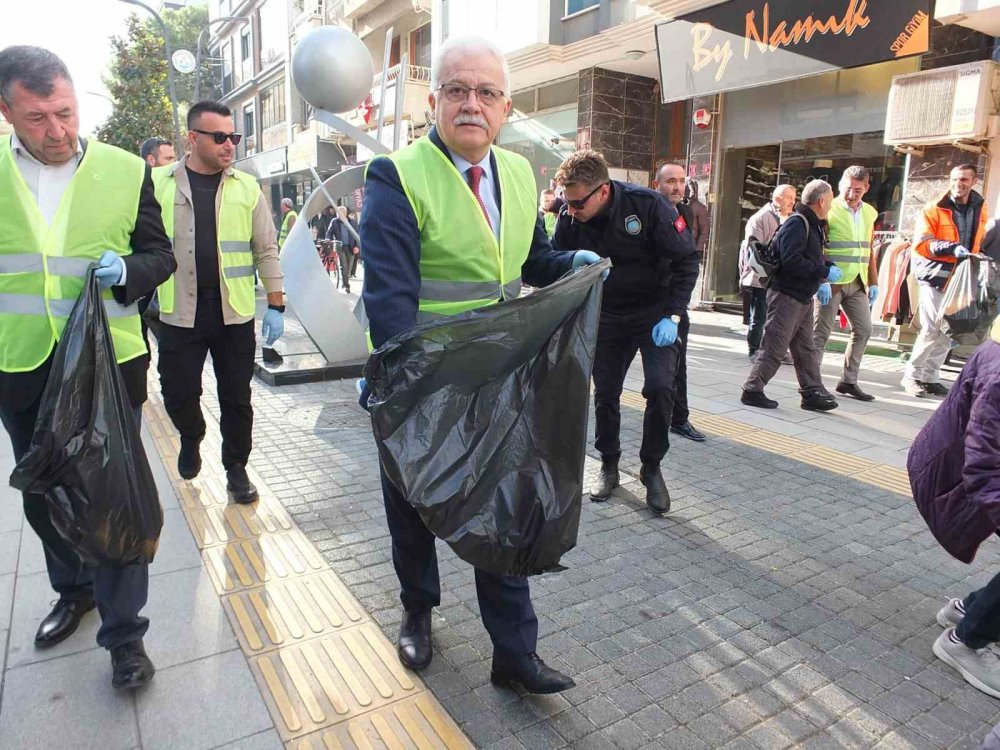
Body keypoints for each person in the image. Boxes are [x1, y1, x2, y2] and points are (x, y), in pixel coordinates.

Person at [360, 36, 603, 693]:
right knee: (413, 504)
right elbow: (389, 305)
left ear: (506, 107)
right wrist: (416, 390)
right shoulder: (397, 176)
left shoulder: (520, 173)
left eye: (487, 93)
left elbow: (531, 262)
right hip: (420, 382)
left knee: (504, 506)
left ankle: (514, 654)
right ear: (434, 99)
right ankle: (418, 608)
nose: (472, 104)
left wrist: (567, 266)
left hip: (500, 380)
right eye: (458, 91)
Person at [0, 46, 176, 689]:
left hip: (108, 366)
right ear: (7, 111)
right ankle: (73, 590)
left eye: (66, 113)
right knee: (44, 493)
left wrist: (129, 271)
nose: (57, 131)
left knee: (112, 498)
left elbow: (160, 255)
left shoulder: (127, 171)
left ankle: (125, 638)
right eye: (38, 117)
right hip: (21, 363)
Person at [152, 100, 285, 504]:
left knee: (236, 397)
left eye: (234, 136)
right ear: (193, 139)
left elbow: (266, 248)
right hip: (179, 312)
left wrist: (276, 305)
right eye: (220, 137)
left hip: (233, 314)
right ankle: (191, 436)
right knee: (177, 392)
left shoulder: (246, 187)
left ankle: (236, 468)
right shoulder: (158, 183)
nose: (230, 144)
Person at [555, 152, 698, 514]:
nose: (570, 210)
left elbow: (686, 261)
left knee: (662, 388)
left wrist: (673, 316)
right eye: (566, 202)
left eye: (577, 202)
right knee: (605, 393)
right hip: (607, 315)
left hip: (655, 313)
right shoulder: (569, 216)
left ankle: (651, 467)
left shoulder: (648, 207)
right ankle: (609, 463)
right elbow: (557, 263)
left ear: (602, 191)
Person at [908, 316, 1000, 699]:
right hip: (959, 473)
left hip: (967, 468)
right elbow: (984, 463)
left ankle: (969, 610)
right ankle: (966, 641)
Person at [741, 179, 842, 411]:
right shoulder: (799, 223)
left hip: (802, 297)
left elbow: (807, 256)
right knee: (775, 346)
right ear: (822, 201)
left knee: (805, 349)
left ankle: (812, 391)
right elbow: (791, 260)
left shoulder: (812, 223)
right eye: (831, 199)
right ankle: (752, 389)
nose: (832, 205)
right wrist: (824, 271)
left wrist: (825, 264)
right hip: (787, 296)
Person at [902, 164, 988, 397]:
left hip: (962, 277)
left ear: (973, 181)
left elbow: (980, 240)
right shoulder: (934, 209)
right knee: (932, 328)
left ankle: (930, 377)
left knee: (950, 330)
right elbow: (923, 243)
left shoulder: (980, 207)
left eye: (963, 180)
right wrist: (952, 248)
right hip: (936, 275)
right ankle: (912, 376)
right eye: (954, 179)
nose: (958, 184)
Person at [812, 166, 879, 401]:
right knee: (821, 332)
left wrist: (873, 281)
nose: (851, 194)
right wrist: (821, 279)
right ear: (841, 184)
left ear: (866, 188)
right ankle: (812, 383)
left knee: (864, 330)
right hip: (832, 282)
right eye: (848, 188)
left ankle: (849, 381)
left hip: (858, 281)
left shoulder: (870, 212)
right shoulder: (828, 208)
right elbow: (816, 246)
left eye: (858, 190)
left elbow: (869, 249)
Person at [652, 162, 705, 443]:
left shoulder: (683, 211)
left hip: (674, 303)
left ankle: (679, 418)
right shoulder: (646, 212)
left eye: (682, 181)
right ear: (656, 184)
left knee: (678, 364)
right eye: (670, 181)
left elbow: (688, 255)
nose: (677, 186)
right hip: (646, 300)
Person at [740, 184, 796, 360]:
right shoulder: (760, 218)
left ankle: (776, 350)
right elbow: (755, 249)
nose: (792, 203)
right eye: (789, 199)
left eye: (794, 199)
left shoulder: (792, 218)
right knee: (759, 316)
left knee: (779, 318)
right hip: (761, 276)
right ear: (778, 199)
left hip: (783, 278)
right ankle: (754, 350)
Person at [326, 205, 357, 293]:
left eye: (340, 214)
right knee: (344, 266)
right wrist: (328, 239)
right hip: (341, 247)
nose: (338, 215)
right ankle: (347, 286)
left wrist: (357, 247)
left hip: (351, 247)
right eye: (337, 214)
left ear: (345, 214)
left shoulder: (353, 222)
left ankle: (345, 282)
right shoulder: (334, 222)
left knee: (349, 268)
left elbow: (357, 235)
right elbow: (329, 232)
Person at [685, 179, 710, 256]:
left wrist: (699, 249)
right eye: (686, 189)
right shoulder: (679, 206)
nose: (688, 192)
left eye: (690, 189)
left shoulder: (700, 208)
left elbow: (705, 229)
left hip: (692, 248)